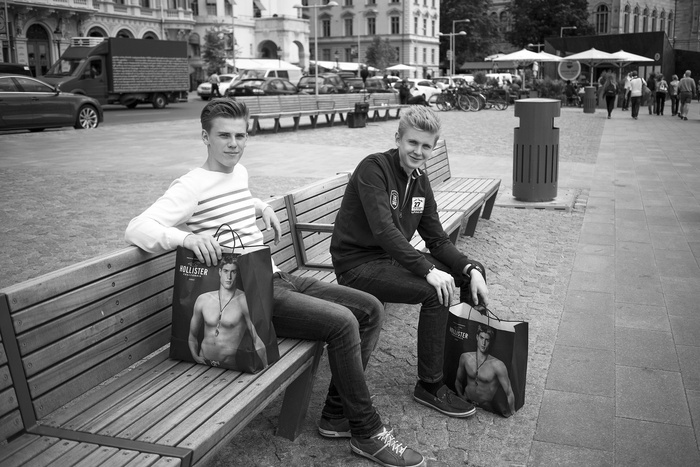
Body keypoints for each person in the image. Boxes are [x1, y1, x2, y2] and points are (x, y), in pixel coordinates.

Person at [125, 99, 424, 467]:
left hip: (277, 277)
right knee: (344, 323)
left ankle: (336, 415)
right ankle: (367, 431)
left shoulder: (239, 173)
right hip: (249, 295)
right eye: (224, 136)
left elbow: (233, 198)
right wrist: (185, 239)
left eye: (241, 135)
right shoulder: (190, 185)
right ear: (205, 137)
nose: (234, 143)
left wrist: (259, 206)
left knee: (370, 308)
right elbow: (137, 227)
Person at [330, 106, 490, 420]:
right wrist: (428, 270)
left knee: (464, 275)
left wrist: (470, 268)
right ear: (398, 139)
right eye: (412, 143)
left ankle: (462, 364)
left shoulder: (419, 180)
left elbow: (437, 239)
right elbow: (384, 230)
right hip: (357, 266)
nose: (418, 151)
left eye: (426, 146)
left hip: (389, 260)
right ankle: (430, 385)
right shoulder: (374, 168)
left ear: (434, 146)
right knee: (435, 290)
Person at [189, 254, 268, 368]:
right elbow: (192, 334)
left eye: (233, 272)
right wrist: (195, 356)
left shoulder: (243, 300)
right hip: (203, 363)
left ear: (237, 274)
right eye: (226, 271)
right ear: (220, 272)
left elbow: (256, 338)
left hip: (228, 367)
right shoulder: (203, 299)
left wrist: (266, 367)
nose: (229, 276)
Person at [454, 324, 515, 417]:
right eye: (482, 338)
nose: (483, 343)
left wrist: (512, 412)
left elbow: (509, 392)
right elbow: (458, 381)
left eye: (487, 340)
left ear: (491, 342)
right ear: (477, 337)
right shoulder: (465, 357)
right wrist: (460, 396)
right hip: (466, 401)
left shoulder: (498, 365)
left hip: (485, 408)